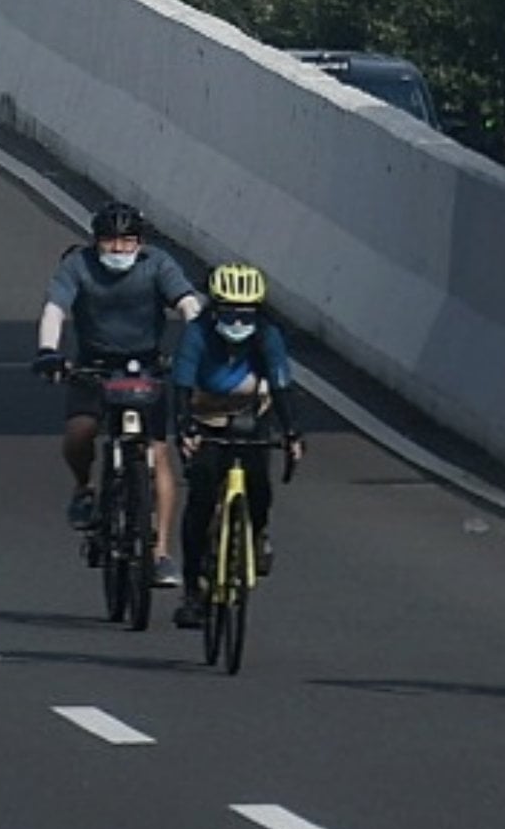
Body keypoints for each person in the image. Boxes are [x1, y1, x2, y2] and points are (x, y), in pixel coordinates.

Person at [30, 202, 202, 590]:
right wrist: (48, 352)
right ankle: (83, 489)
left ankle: (159, 552)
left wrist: (199, 347)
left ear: (140, 242)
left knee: (158, 454)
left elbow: (189, 304)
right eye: (111, 241)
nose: (120, 249)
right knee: (79, 433)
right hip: (93, 366)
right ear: (96, 240)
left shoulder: (158, 264)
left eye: (128, 241)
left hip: (145, 367)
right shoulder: (78, 265)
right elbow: (56, 308)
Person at [168, 262, 307, 628]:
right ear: (215, 308)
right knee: (201, 497)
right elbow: (181, 384)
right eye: (229, 312)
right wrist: (184, 429)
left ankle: (256, 533)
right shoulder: (197, 334)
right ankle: (193, 592)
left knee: (259, 485)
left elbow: (280, 385)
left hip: (250, 415)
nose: (238, 321)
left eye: (246, 313)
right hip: (205, 414)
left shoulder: (267, 335)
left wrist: (292, 433)